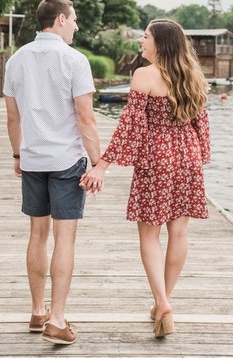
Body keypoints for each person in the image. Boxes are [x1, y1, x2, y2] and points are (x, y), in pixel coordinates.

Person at [81, 19, 211, 338]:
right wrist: (200, 157)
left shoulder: (144, 75)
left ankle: (162, 303)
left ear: (160, 43)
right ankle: (162, 303)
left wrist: (102, 165)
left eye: (146, 36)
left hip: (158, 157)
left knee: (150, 235)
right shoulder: (193, 75)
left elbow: (131, 127)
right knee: (179, 235)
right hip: (189, 157)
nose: (141, 40)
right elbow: (202, 125)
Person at [4, 0, 100, 347]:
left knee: (37, 234)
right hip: (66, 160)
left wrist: (17, 154)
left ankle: (36, 310)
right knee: (64, 238)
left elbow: (13, 117)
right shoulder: (75, 60)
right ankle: (57, 320)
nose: (76, 25)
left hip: (31, 159)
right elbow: (85, 117)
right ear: (59, 19)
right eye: (73, 19)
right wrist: (98, 161)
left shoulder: (16, 60)